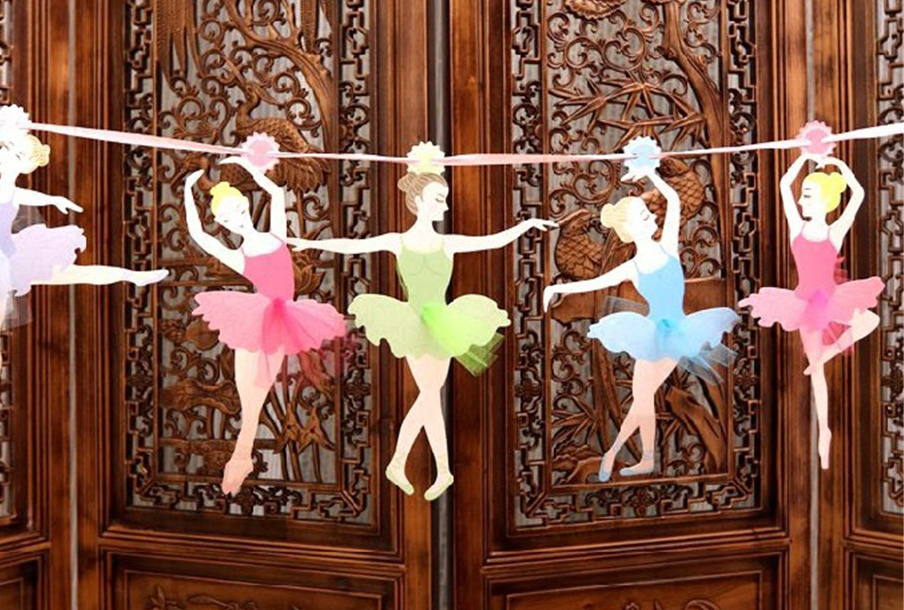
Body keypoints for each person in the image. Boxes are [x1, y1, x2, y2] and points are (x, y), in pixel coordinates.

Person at [290, 144, 556, 500]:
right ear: (417, 201)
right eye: (438, 199)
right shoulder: (397, 241)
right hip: (413, 322)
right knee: (430, 394)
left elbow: (492, 242)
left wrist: (526, 225)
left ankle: (429, 469)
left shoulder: (448, 243)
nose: (444, 206)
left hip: (443, 321)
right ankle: (414, 465)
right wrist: (303, 241)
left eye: (444, 199)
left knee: (431, 395)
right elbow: (352, 246)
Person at [0, 105, 166, 419]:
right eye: (6, 148)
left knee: (74, 275)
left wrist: (54, 200)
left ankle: (133, 276)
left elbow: (25, 196)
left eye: (13, 151)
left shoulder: (11, 192)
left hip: (6, 262)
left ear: (22, 163)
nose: (4, 153)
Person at [543, 160, 737, 481]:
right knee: (642, 398)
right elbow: (595, 283)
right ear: (629, 231)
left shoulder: (669, 247)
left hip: (676, 333)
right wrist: (555, 288)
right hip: (652, 334)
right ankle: (629, 455)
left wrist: (650, 173)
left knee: (642, 396)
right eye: (641, 216)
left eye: (647, 213)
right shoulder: (631, 267)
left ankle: (623, 454)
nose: (649, 217)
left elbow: (673, 200)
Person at [184, 155, 346, 495]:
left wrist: (250, 167)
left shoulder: (276, 235)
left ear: (246, 205)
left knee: (258, 390)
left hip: (285, 317)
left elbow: (275, 193)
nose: (237, 220)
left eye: (238, 211)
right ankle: (242, 456)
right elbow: (200, 235)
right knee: (249, 390)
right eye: (228, 219)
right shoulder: (239, 255)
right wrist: (187, 189)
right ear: (223, 224)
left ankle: (241, 457)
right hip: (257, 317)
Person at [740, 152, 882, 468]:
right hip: (804, 304)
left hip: (831, 299)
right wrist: (803, 155)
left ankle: (829, 354)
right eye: (802, 195)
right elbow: (783, 184)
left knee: (870, 320)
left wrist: (840, 166)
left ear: (823, 201)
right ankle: (824, 430)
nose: (801, 200)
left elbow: (858, 194)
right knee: (815, 370)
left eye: (807, 194)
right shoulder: (797, 228)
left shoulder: (834, 232)